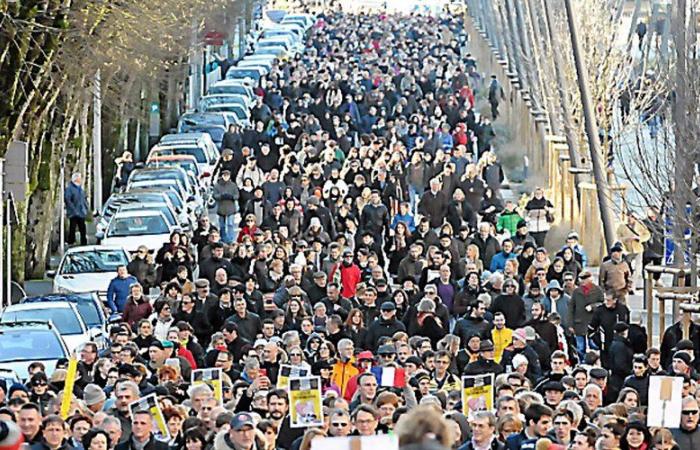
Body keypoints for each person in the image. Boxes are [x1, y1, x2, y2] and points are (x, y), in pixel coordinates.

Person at [213, 170, 240, 244]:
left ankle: (230, 239)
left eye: (227, 175)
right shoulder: (217, 185)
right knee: (222, 225)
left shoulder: (233, 185)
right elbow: (214, 195)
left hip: (230, 208)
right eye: (224, 175)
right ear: (222, 176)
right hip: (221, 208)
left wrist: (232, 197)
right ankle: (223, 238)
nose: (226, 177)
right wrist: (221, 196)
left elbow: (237, 195)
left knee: (230, 224)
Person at [65, 172, 89, 246]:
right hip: (74, 213)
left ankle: (83, 242)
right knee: (72, 227)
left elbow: (83, 199)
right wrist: (73, 209)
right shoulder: (70, 188)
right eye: (79, 178)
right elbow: (67, 199)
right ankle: (71, 242)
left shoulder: (80, 188)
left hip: (81, 212)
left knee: (83, 228)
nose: (81, 180)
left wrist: (86, 207)